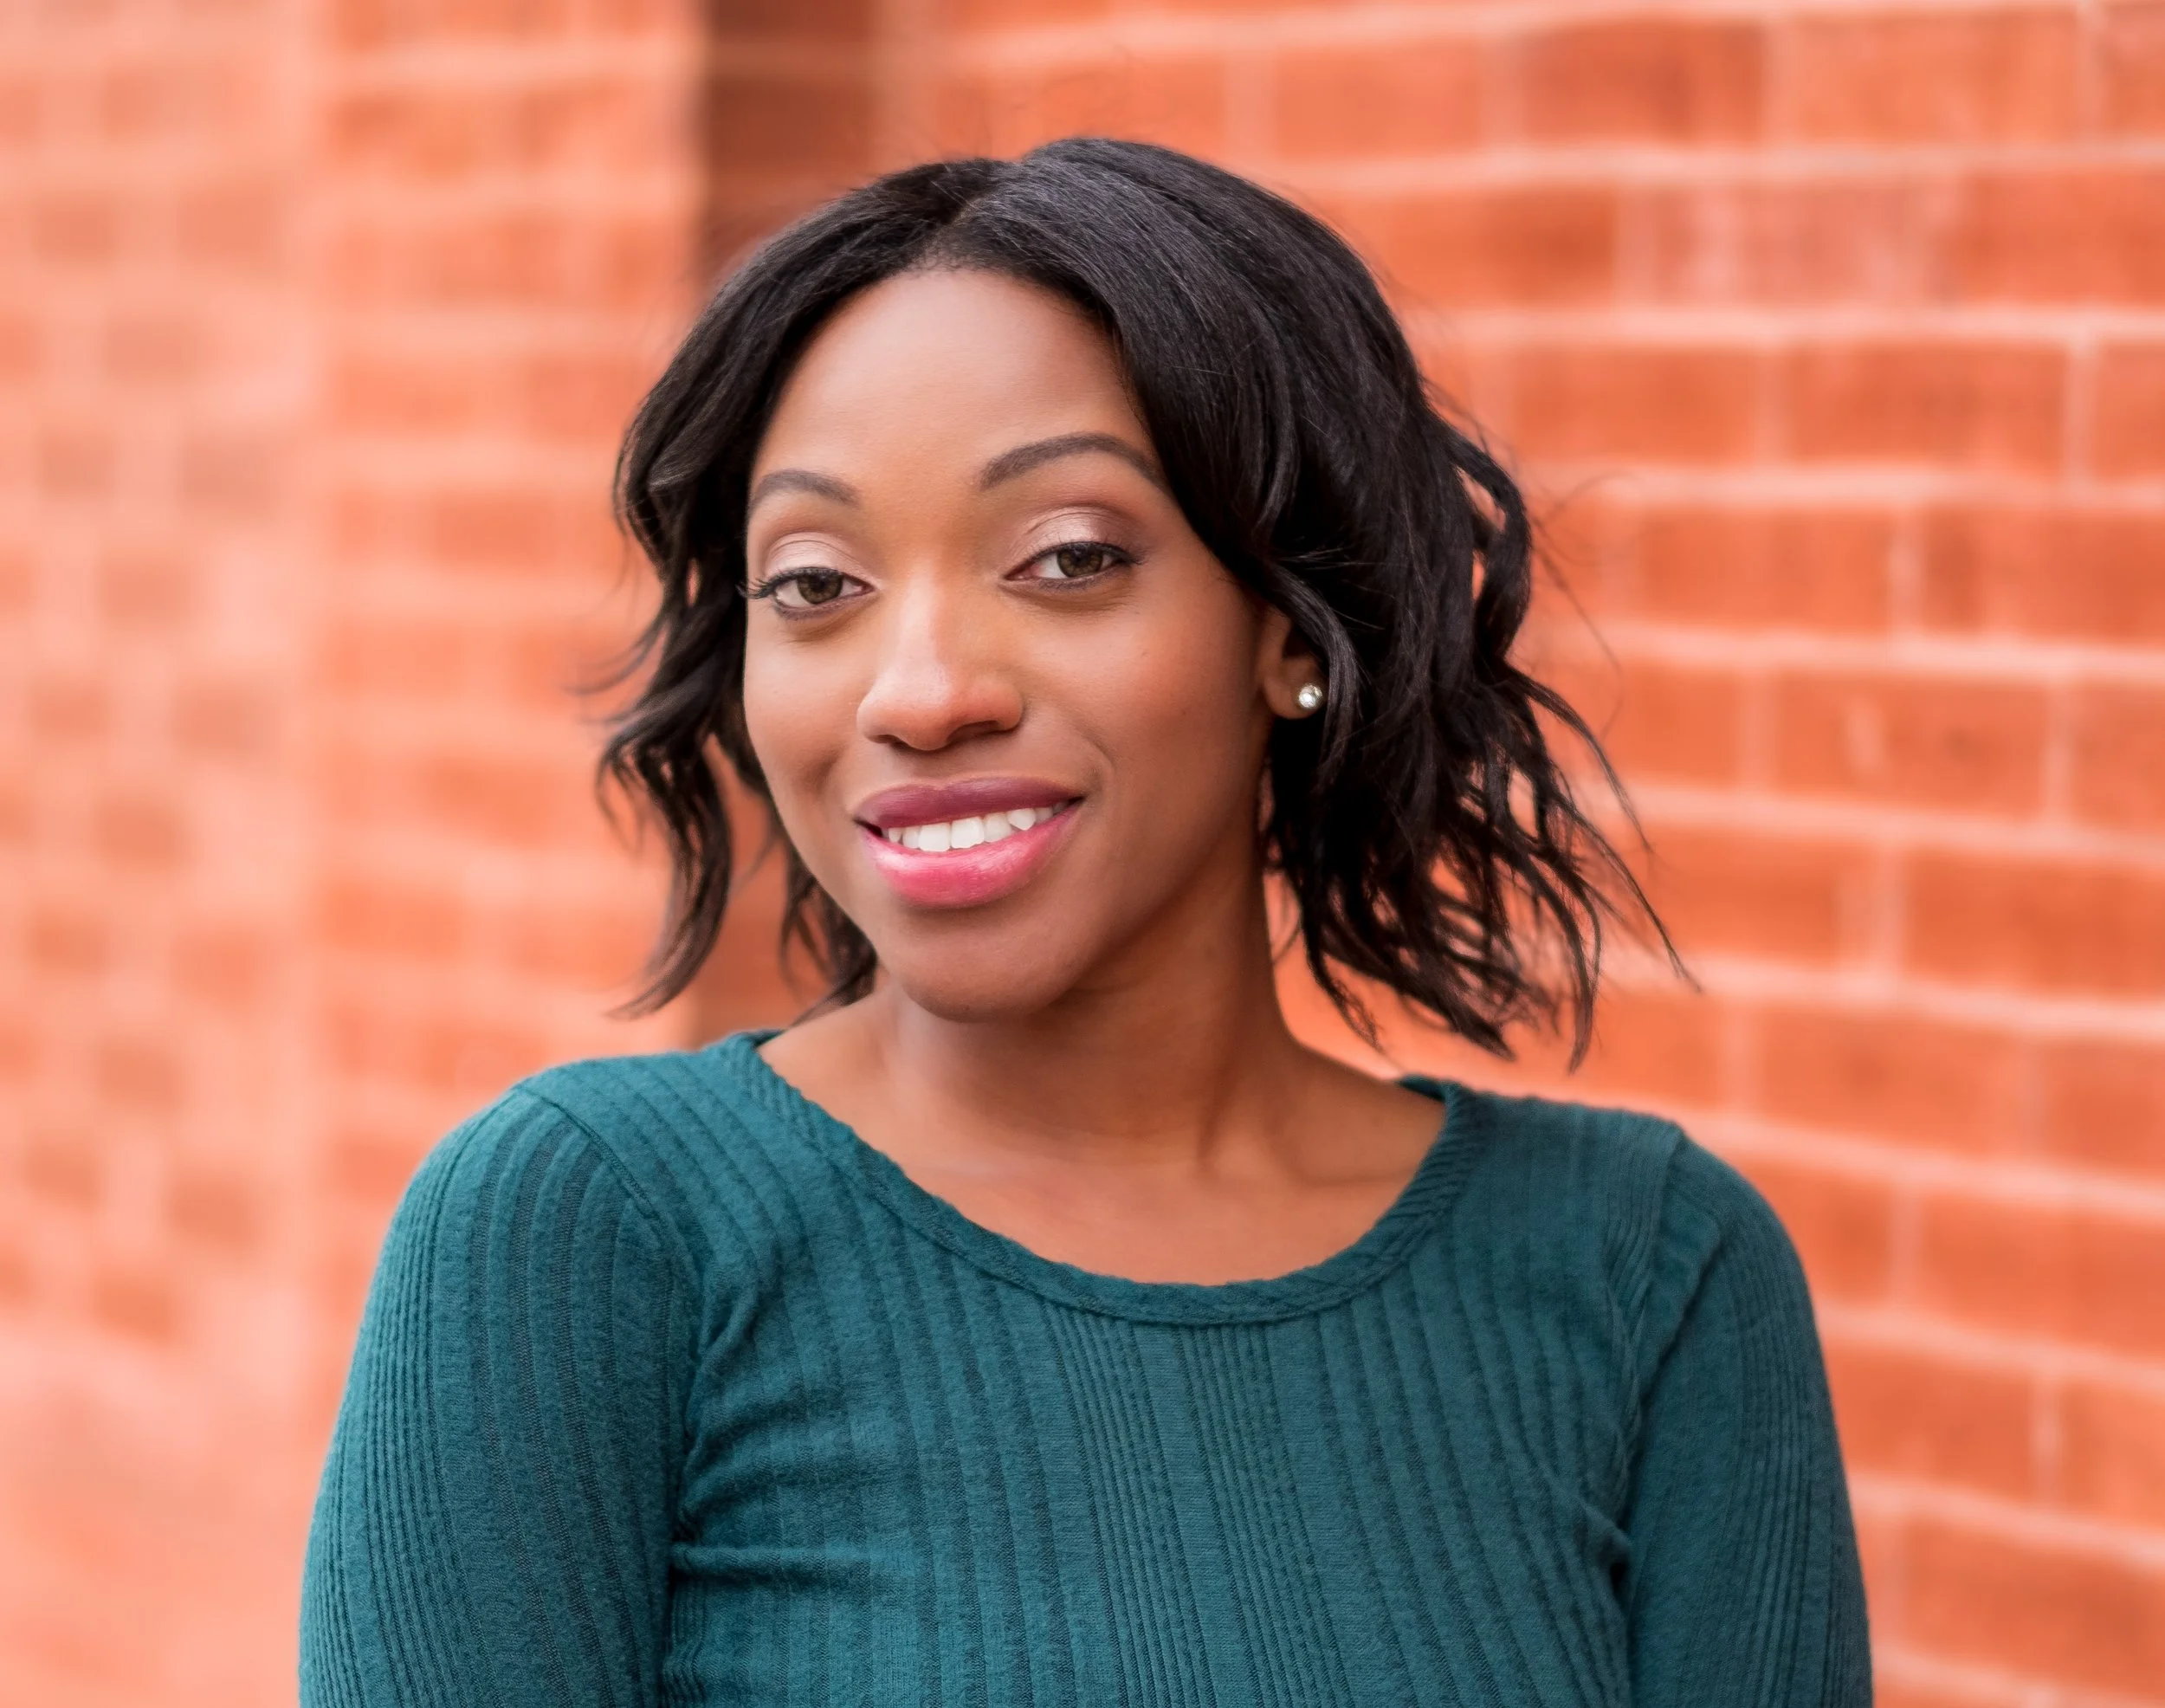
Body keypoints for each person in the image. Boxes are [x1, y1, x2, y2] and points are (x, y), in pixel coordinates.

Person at [299, 138, 1871, 1706]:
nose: (918, 694)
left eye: (1067, 559)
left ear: (1291, 628)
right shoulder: (595, 1237)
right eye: (815, 583)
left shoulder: (1651, 1280)